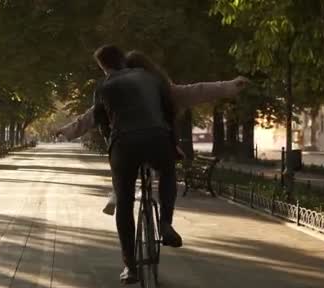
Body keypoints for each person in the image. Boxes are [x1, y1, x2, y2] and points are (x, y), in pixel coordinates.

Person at [57, 51, 249, 215]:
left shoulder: (118, 92)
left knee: (123, 167)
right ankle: (164, 219)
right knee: (164, 166)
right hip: (159, 143)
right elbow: (197, 91)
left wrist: (67, 131)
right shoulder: (162, 89)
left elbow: (92, 116)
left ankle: (119, 193)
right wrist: (229, 86)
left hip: (125, 144)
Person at [90, 44, 182, 284]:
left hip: (125, 145)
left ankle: (130, 267)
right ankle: (165, 223)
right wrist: (172, 143)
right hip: (157, 139)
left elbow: (100, 122)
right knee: (168, 172)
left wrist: (111, 140)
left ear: (103, 66)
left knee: (124, 201)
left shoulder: (103, 87)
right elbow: (169, 110)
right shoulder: (152, 78)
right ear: (124, 59)